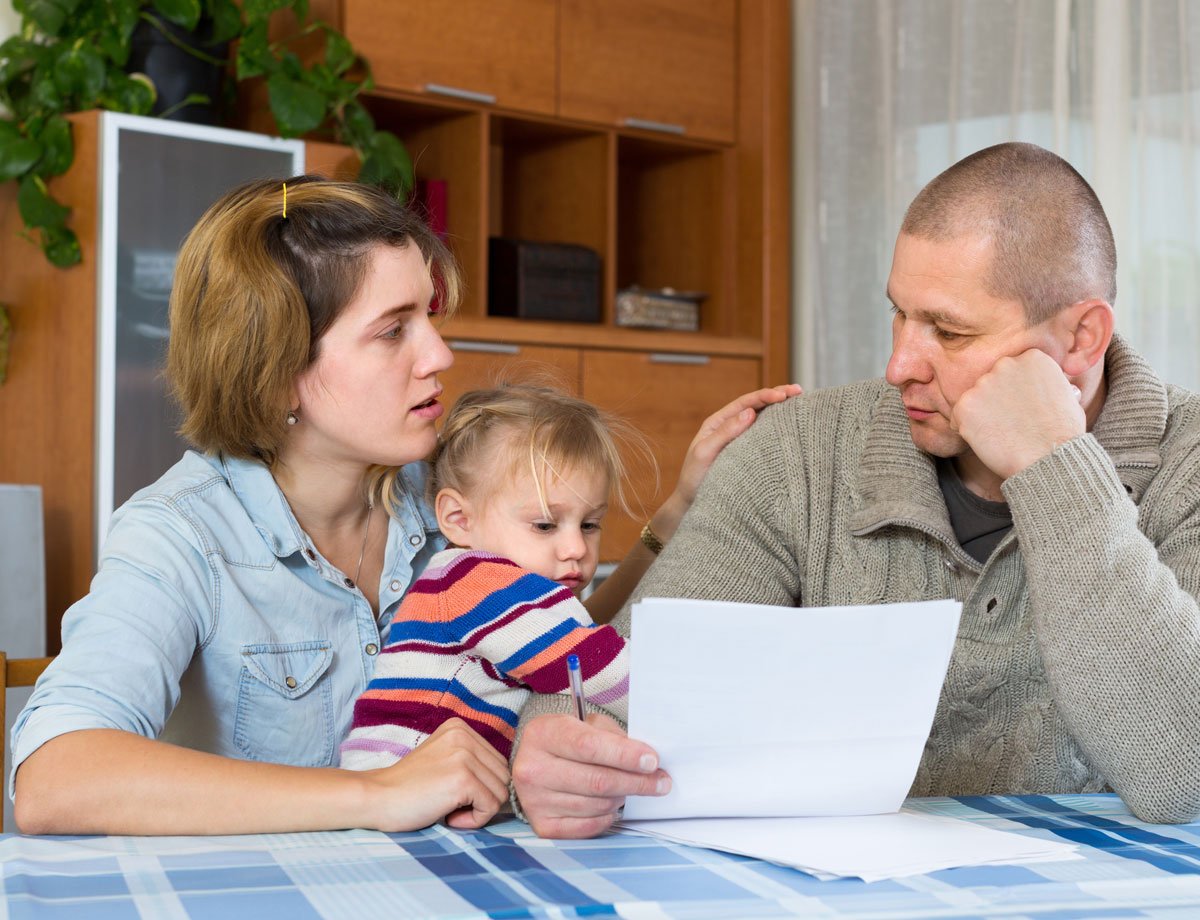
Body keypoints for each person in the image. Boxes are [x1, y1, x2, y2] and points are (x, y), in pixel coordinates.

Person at [507, 142, 1200, 837]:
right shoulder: (797, 450)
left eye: (951, 332)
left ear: (1082, 338)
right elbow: (622, 693)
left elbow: (1185, 770)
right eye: (898, 315)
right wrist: (551, 744)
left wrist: (1055, 467)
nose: (900, 364)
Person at [9, 175, 799, 835]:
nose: (440, 356)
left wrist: (673, 517)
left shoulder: (441, 492)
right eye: (394, 331)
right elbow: (53, 778)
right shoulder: (178, 535)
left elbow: (555, 624)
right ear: (280, 369)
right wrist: (377, 795)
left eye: (430, 316)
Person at [339, 383, 632, 770]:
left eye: (590, 524)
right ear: (459, 520)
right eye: (545, 525)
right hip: (394, 779)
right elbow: (599, 666)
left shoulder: (483, 581)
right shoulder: (478, 583)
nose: (576, 547)